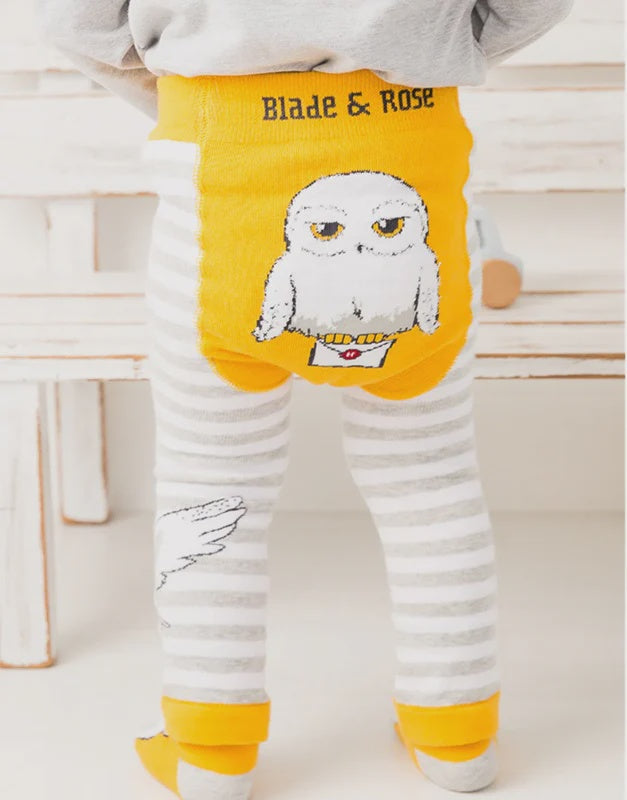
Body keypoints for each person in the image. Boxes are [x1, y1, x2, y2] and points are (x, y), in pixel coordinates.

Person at [41, 2, 573, 797]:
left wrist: (179, 74)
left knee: (210, 484)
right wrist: (440, 48)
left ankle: (211, 750)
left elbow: (71, 18)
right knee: (428, 483)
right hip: (412, 159)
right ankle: (457, 735)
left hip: (217, 166)